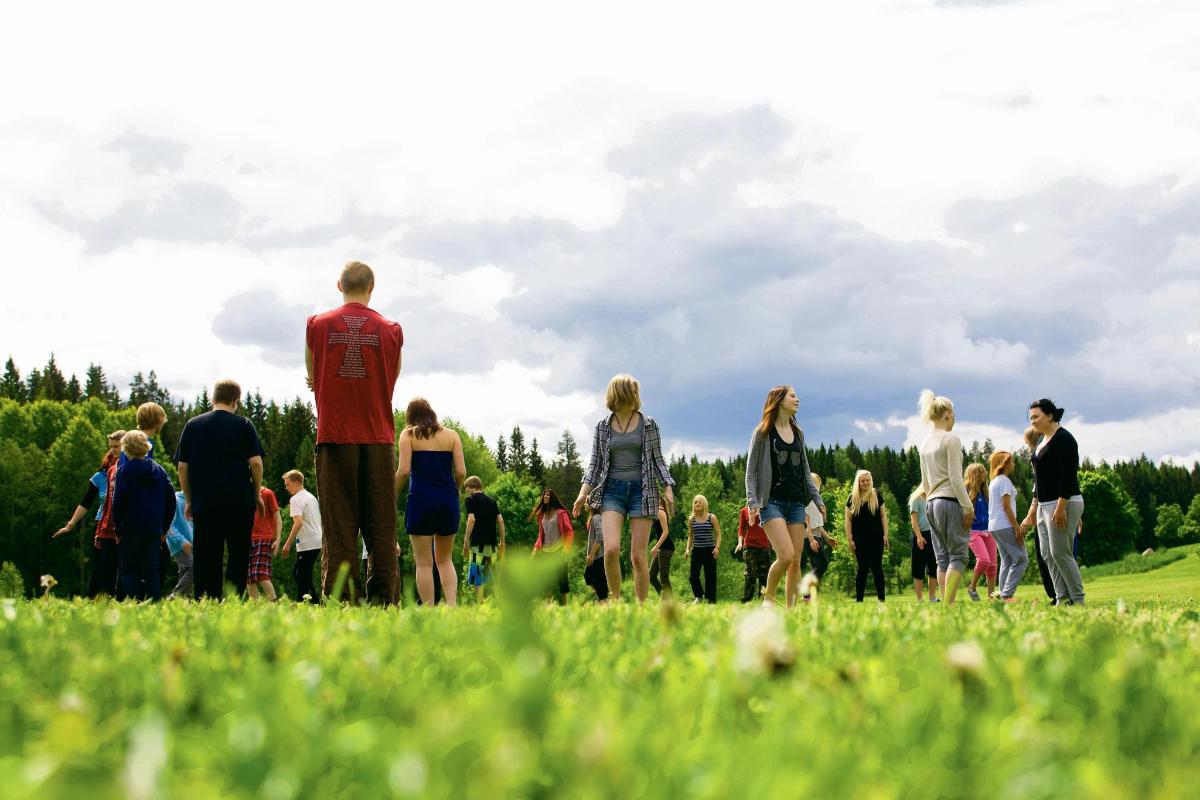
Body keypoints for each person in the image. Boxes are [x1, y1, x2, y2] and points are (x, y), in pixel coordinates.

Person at [306, 260, 404, 605]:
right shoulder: (391, 330)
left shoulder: (317, 326)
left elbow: (311, 376)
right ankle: (382, 599)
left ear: (339, 285)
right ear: (372, 286)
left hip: (334, 436)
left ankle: (343, 599)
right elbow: (392, 378)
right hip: (377, 436)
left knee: (339, 524)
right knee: (381, 525)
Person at [572, 374, 676, 603]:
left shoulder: (649, 425)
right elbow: (594, 464)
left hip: (643, 492)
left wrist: (668, 487)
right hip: (612, 492)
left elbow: (658, 460)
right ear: (621, 393)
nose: (636, 395)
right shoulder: (603, 427)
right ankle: (616, 601)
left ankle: (639, 607)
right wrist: (582, 495)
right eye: (632, 391)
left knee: (638, 556)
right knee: (610, 550)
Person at [175, 379, 265, 601]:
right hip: (239, 501)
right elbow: (256, 463)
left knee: (206, 554)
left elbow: (182, 467)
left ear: (213, 399)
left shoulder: (193, 425)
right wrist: (257, 494)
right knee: (238, 553)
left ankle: (207, 600)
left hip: (205, 501)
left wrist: (189, 499)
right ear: (236, 402)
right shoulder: (244, 425)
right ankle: (233, 600)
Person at [744, 385, 823, 606]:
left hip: (797, 502)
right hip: (772, 503)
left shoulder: (799, 434)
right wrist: (753, 503)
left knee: (796, 560)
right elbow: (751, 472)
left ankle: (792, 610)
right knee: (786, 555)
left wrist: (817, 499)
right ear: (779, 400)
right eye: (792, 396)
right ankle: (768, 599)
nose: (797, 399)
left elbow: (805, 471)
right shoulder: (762, 433)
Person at [396, 398, 466, 607]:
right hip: (447, 500)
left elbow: (404, 471)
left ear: (411, 416)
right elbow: (461, 472)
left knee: (424, 563)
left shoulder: (408, 435)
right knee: (445, 560)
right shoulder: (452, 435)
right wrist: (456, 490)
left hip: (420, 500)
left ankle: (428, 608)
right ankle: (452, 605)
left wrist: (392, 493)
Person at [1019, 399, 1085, 606]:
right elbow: (1039, 480)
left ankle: (1078, 599)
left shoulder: (1064, 439)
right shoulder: (1042, 441)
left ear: (1049, 415)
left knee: (1061, 553)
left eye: (1036, 417)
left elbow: (1068, 477)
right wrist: (1034, 509)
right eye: (1031, 418)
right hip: (1044, 505)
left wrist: (1060, 508)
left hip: (1063, 503)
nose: (1033, 421)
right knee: (1047, 554)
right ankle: (1061, 598)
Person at [52, 429, 125, 598]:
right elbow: (86, 502)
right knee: (102, 568)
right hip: (103, 527)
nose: (113, 450)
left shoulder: (133, 471)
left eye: (117, 446)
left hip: (125, 527)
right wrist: (70, 524)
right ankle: (97, 602)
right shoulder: (101, 476)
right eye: (111, 447)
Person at [917, 389, 973, 604]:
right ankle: (949, 603)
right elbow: (956, 478)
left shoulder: (924, 443)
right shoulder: (951, 439)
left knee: (942, 559)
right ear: (948, 414)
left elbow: (926, 484)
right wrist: (967, 507)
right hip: (950, 500)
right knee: (958, 556)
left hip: (931, 503)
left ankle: (945, 603)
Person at [112, 431, 176, 602]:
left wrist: (117, 527)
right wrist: (165, 527)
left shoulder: (124, 471)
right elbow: (171, 500)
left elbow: (118, 502)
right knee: (151, 570)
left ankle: (136, 600)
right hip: (154, 529)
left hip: (131, 528)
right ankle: (152, 603)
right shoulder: (159, 470)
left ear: (126, 448)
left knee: (129, 569)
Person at [1022, 426, 1057, 602]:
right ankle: (1057, 593)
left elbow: (1037, 493)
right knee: (1049, 553)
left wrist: (1030, 516)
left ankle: (1056, 593)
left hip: (1046, 509)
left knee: (1047, 553)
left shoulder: (1039, 458)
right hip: (1047, 508)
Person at [988, 451, 1027, 601]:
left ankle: (1002, 596)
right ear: (1004, 464)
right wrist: (1017, 528)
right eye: (1011, 462)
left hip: (995, 527)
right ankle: (1006, 594)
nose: (1014, 464)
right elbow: (1006, 506)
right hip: (1005, 525)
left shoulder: (994, 482)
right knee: (1022, 559)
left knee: (1008, 561)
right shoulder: (1004, 481)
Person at [846, 470, 888, 603]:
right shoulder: (852, 498)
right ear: (858, 482)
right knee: (862, 569)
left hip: (877, 539)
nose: (865, 483)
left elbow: (883, 516)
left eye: (867, 480)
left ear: (871, 481)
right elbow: (848, 521)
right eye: (862, 480)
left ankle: (881, 599)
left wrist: (886, 535)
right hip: (859, 541)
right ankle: (859, 600)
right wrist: (850, 539)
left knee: (877, 568)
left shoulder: (877, 495)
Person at [281, 470, 323, 603]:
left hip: (307, 542)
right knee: (301, 574)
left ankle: (304, 603)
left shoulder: (295, 499)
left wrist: (287, 544)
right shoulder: (311, 497)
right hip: (316, 540)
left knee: (301, 574)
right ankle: (314, 602)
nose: (286, 487)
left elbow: (298, 522)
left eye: (288, 484)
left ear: (297, 483)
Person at [462, 475, 505, 604]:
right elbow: (501, 521)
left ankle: (481, 605)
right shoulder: (492, 501)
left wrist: (466, 541)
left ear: (473, 487)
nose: (466, 491)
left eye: (466, 488)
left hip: (477, 544)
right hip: (492, 545)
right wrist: (503, 541)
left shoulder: (470, 500)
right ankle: (494, 603)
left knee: (476, 575)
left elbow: (471, 519)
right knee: (490, 575)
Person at [531, 488, 575, 605]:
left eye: (548, 496)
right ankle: (549, 605)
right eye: (544, 496)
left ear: (552, 498)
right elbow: (541, 535)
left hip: (559, 550)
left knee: (562, 580)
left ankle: (566, 605)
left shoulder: (561, 513)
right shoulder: (541, 515)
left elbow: (569, 532)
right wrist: (536, 548)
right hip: (545, 551)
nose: (545, 497)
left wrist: (565, 550)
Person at [798, 473, 837, 603]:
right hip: (809, 538)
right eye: (812, 484)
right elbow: (806, 523)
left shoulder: (817, 503)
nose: (815, 486)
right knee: (823, 564)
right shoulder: (806, 501)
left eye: (817, 484)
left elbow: (818, 526)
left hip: (817, 537)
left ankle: (811, 598)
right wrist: (811, 539)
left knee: (816, 566)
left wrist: (827, 538)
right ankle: (807, 593)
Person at [964, 463, 996, 601]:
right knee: (984, 560)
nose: (984, 475)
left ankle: (991, 596)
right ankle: (972, 587)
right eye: (981, 472)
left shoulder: (986, 491)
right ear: (975, 475)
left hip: (988, 530)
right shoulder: (966, 490)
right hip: (973, 531)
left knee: (993, 565)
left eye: (984, 472)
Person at [685, 495, 721, 604]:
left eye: (700, 502)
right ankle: (699, 596)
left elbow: (718, 534)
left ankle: (711, 601)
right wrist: (687, 549)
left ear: (704, 503)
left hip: (709, 550)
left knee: (710, 576)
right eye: (695, 502)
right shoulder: (691, 520)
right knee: (693, 575)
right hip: (697, 551)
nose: (697, 504)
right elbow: (691, 536)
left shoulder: (712, 517)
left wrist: (717, 548)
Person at [247, 486, 281, 601]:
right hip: (248, 539)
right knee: (249, 576)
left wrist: (277, 539)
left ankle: (274, 603)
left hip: (264, 538)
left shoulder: (267, 493)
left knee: (261, 573)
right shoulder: (245, 494)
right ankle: (254, 606)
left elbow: (277, 517)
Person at [736, 503, 771, 603]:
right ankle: (747, 600)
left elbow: (771, 526)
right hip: (749, 546)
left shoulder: (765, 508)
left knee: (764, 576)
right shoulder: (744, 511)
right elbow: (741, 528)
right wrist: (739, 543)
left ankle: (764, 600)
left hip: (764, 546)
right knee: (751, 574)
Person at [908, 486, 938, 602]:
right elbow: (914, 521)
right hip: (919, 535)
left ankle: (932, 597)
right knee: (918, 567)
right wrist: (919, 537)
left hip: (933, 535)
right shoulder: (916, 499)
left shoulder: (934, 498)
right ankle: (919, 599)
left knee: (933, 567)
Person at [165, 490, 194, 599]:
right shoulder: (176, 500)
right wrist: (181, 541)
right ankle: (173, 598)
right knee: (191, 569)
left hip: (191, 544)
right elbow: (168, 525)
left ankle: (183, 601)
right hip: (179, 544)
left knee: (186, 572)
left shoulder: (194, 500)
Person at [648, 498, 674, 598]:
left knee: (664, 577)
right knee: (651, 575)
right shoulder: (656, 513)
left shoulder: (660, 512)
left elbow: (666, 532)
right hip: (661, 549)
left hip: (666, 548)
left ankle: (670, 601)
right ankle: (664, 597)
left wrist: (655, 547)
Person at [583, 511, 608, 601]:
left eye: (587, 501)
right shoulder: (594, 518)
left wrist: (592, 555)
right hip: (596, 556)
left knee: (600, 583)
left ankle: (604, 602)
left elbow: (600, 536)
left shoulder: (596, 517)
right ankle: (602, 599)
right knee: (588, 576)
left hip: (599, 556)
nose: (585, 503)